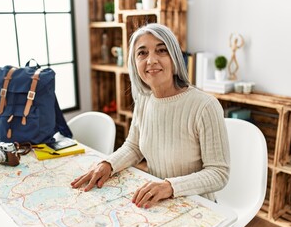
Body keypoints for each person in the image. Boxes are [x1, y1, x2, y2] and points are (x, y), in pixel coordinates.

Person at [71, 23, 230, 209]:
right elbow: (134, 146)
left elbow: (219, 173)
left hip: (199, 206)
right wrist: (108, 164)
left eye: (161, 51)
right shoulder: (144, 100)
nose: (151, 60)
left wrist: (170, 186)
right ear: (135, 63)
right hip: (159, 202)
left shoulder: (205, 106)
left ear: (174, 58)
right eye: (142, 53)